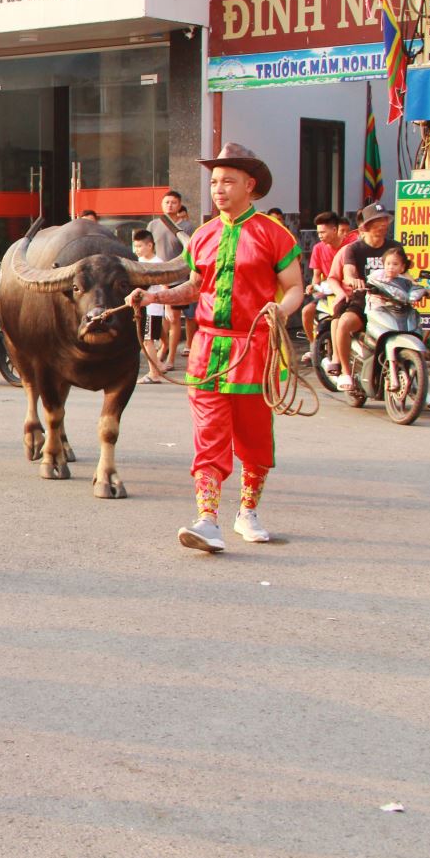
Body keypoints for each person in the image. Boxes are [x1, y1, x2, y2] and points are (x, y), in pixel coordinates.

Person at [127, 144, 303, 554]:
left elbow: (295, 287)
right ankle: (207, 519)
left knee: (255, 437)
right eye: (214, 182)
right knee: (209, 436)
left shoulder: (274, 234)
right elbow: (194, 287)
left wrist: (282, 307)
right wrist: (153, 297)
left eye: (227, 181)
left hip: (255, 347)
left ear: (250, 185)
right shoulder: (204, 235)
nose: (218, 189)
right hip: (208, 350)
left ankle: (248, 511)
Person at [327, 202, 404, 393]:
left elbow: (405, 272)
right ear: (366, 227)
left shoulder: (394, 247)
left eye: (384, 220)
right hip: (364, 300)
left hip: (390, 302)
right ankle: (345, 372)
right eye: (377, 221)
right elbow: (348, 272)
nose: (383, 224)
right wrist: (353, 280)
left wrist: (419, 287)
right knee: (344, 323)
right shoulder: (354, 249)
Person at [148, 190, 195, 371]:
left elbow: (191, 252)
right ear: (162, 204)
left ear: (179, 204)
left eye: (173, 202)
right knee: (160, 319)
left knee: (174, 319)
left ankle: (171, 358)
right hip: (156, 277)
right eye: (167, 202)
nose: (170, 205)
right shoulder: (153, 225)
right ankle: (163, 347)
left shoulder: (188, 227)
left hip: (178, 279)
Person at [301, 211, 345, 351]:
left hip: (346, 291)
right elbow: (316, 274)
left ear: (334, 230)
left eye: (323, 232)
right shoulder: (317, 249)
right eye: (318, 233)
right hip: (327, 291)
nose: (320, 236)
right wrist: (313, 286)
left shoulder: (348, 247)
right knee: (306, 311)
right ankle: (313, 345)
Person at [131, 229, 168, 384]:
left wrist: (167, 306)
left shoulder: (157, 263)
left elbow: (165, 285)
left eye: (140, 246)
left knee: (148, 340)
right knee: (148, 339)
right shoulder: (138, 263)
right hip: (142, 307)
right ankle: (158, 365)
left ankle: (154, 373)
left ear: (150, 245)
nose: (137, 250)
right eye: (135, 246)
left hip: (153, 307)